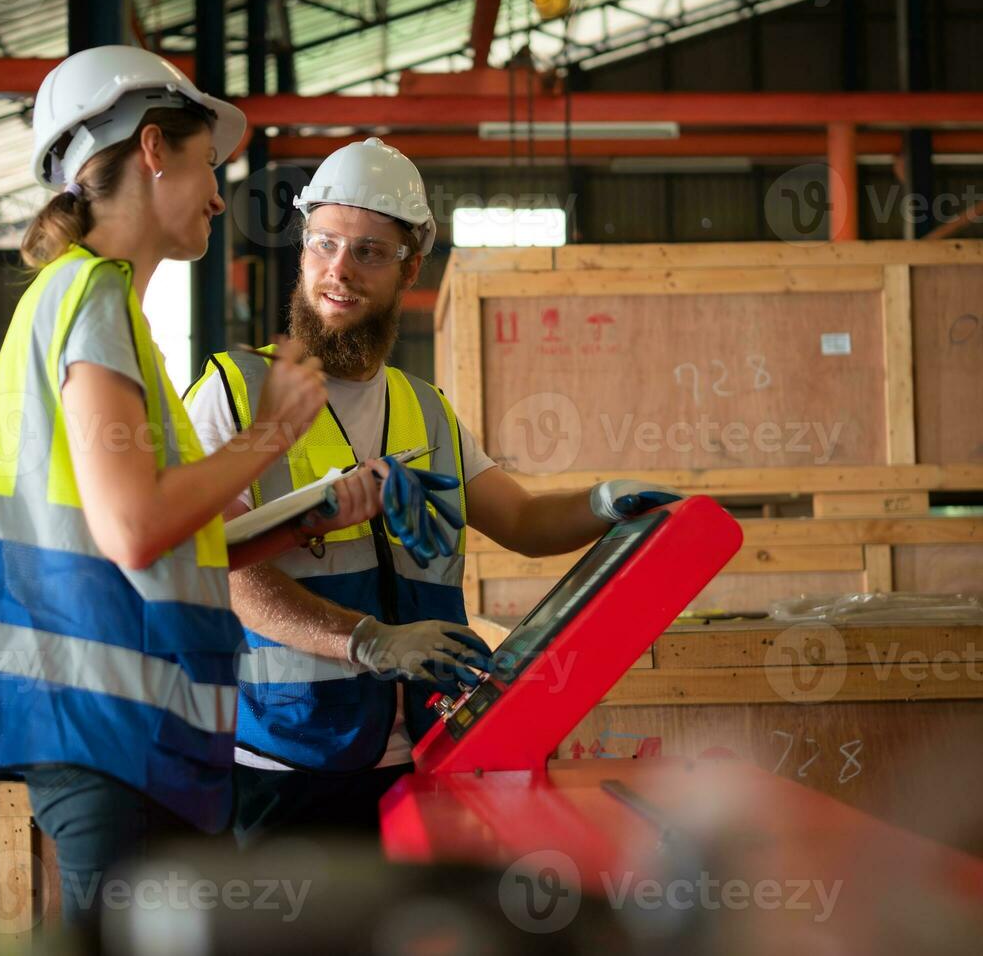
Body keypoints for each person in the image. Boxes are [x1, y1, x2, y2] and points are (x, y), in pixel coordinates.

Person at [0, 45, 347, 922]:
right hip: (102, 724)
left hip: (112, 728)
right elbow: (134, 528)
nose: (221, 196)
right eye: (206, 166)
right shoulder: (94, 299)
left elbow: (173, 540)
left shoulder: (94, 311)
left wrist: (318, 508)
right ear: (153, 147)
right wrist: (270, 435)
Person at [185, 137, 677, 843]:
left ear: (409, 266)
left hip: (428, 750)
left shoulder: (427, 408)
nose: (339, 271)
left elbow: (527, 522)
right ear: (301, 251)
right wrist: (370, 642)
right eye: (324, 244)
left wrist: (603, 502)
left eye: (369, 252)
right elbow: (225, 574)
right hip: (286, 761)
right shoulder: (232, 393)